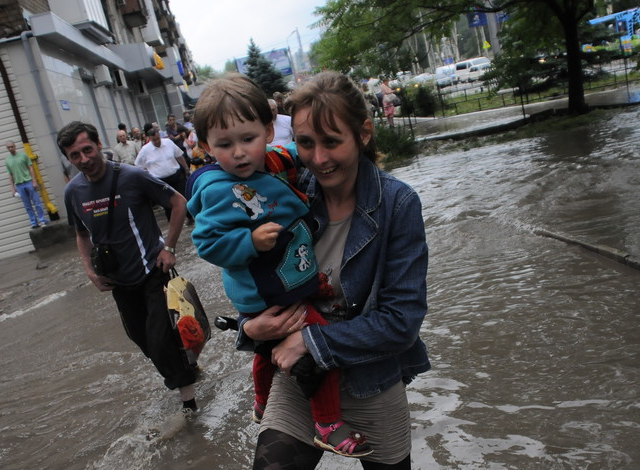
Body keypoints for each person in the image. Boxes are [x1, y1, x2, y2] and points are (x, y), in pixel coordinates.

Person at [243, 71, 430, 468]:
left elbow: (402, 320)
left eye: (332, 142)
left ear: (363, 133)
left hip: (371, 381)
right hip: (300, 381)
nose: (319, 159)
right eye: (306, 143)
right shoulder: (285, 194)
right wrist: (249, 326)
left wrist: (311, 342)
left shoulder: (399, 204)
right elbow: (253, 278)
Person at [186, 73, 371, 459]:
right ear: (205, 146)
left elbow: (292, 153)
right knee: (320, 348)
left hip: (277, 288)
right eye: (224, 144)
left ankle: (259, 400)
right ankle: (327, 423)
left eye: (247, 140)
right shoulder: (221, 189)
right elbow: (205, 242)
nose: (239, 153)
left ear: (269, 131)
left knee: (263, 353)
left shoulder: (273, 166)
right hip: (269, 291)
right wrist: (248, 241)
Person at [57, 121, 200, 416]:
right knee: (144, 340)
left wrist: (169, 247)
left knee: (161, 339)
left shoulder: (132, 176)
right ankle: (188, 365)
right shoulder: (73, 192)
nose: (84, 159)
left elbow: (178, 202)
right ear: (68, 159)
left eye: (87, 150)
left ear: (99, 144)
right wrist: (90, 271)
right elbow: (81, 234)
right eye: (75, 156)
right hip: (117, 281)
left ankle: (190, 407)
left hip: (152, 271)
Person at [135, 128, 192, 223]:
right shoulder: (145, 150)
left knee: (183, 197)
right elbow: (138, 166)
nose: (157, 141)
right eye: (154, 140)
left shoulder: (168, 143)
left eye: (158, 139)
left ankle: (190, 217)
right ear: (149, 139)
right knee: (168, 203)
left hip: (176, 176)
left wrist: (186, 169)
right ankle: (173, 223)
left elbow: (179, 156)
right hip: (161, 181)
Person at [4, 140, 48, 229]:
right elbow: (10, 174)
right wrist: (13, 188)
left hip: (28, 182)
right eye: (9, 147)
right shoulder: (7, 160)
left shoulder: (23, 155)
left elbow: (31, 168)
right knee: (27, 206)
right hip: (19, 185)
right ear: (7, 149)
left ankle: (42, 220)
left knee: (37, 203)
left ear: (15, 146)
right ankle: (34, 223)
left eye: (12, 146)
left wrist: (34, 181)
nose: (11, 148)